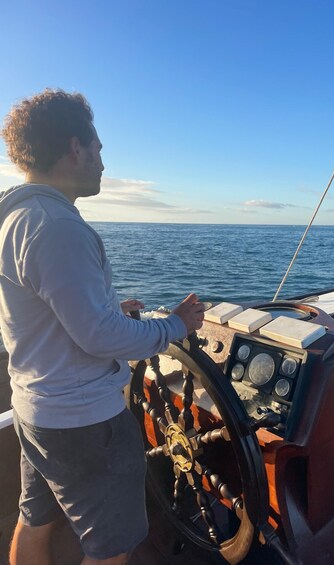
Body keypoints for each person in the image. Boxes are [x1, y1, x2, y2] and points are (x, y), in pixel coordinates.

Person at [0, 89, 205, 565]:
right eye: (98, 151)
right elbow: (101, 338)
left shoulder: (13, 215)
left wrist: (106, 304)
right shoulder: (57, 226)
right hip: (84, 423)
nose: (102, 164)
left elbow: (43, 305)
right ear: (75, 148)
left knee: (34, 522)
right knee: (110, 548)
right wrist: (174, 325)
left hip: (35, 409)